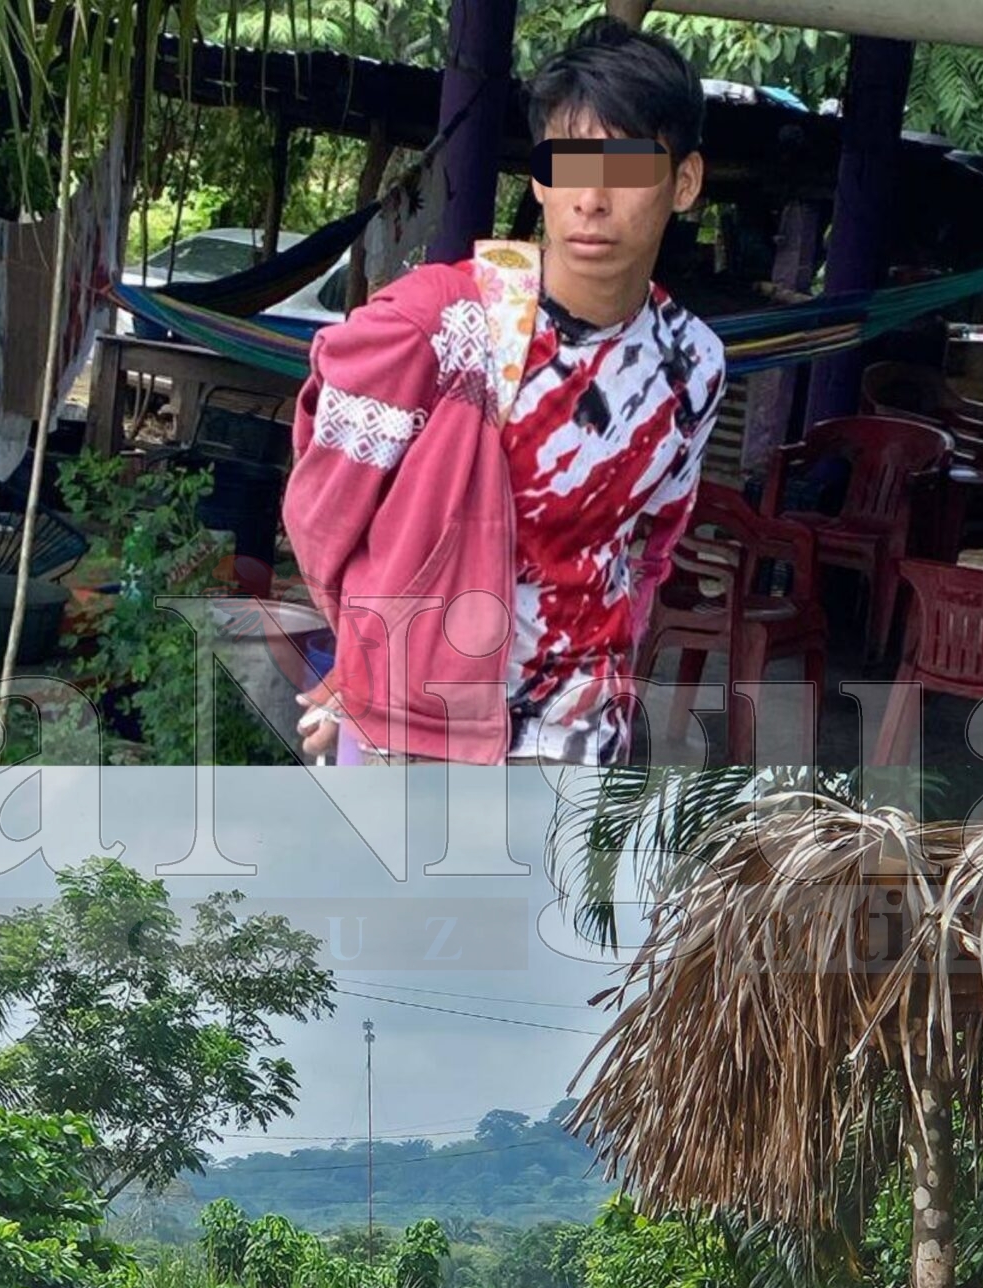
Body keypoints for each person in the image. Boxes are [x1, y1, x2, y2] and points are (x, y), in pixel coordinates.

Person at [286, 17, 726, 768]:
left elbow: (650, 548)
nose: (591, 198)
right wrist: (364, 673)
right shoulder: (434, 328)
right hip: (414, 725)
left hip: (576, 736)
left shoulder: (693, 365)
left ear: (683, 182)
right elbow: (323, 520)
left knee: (537, 893)